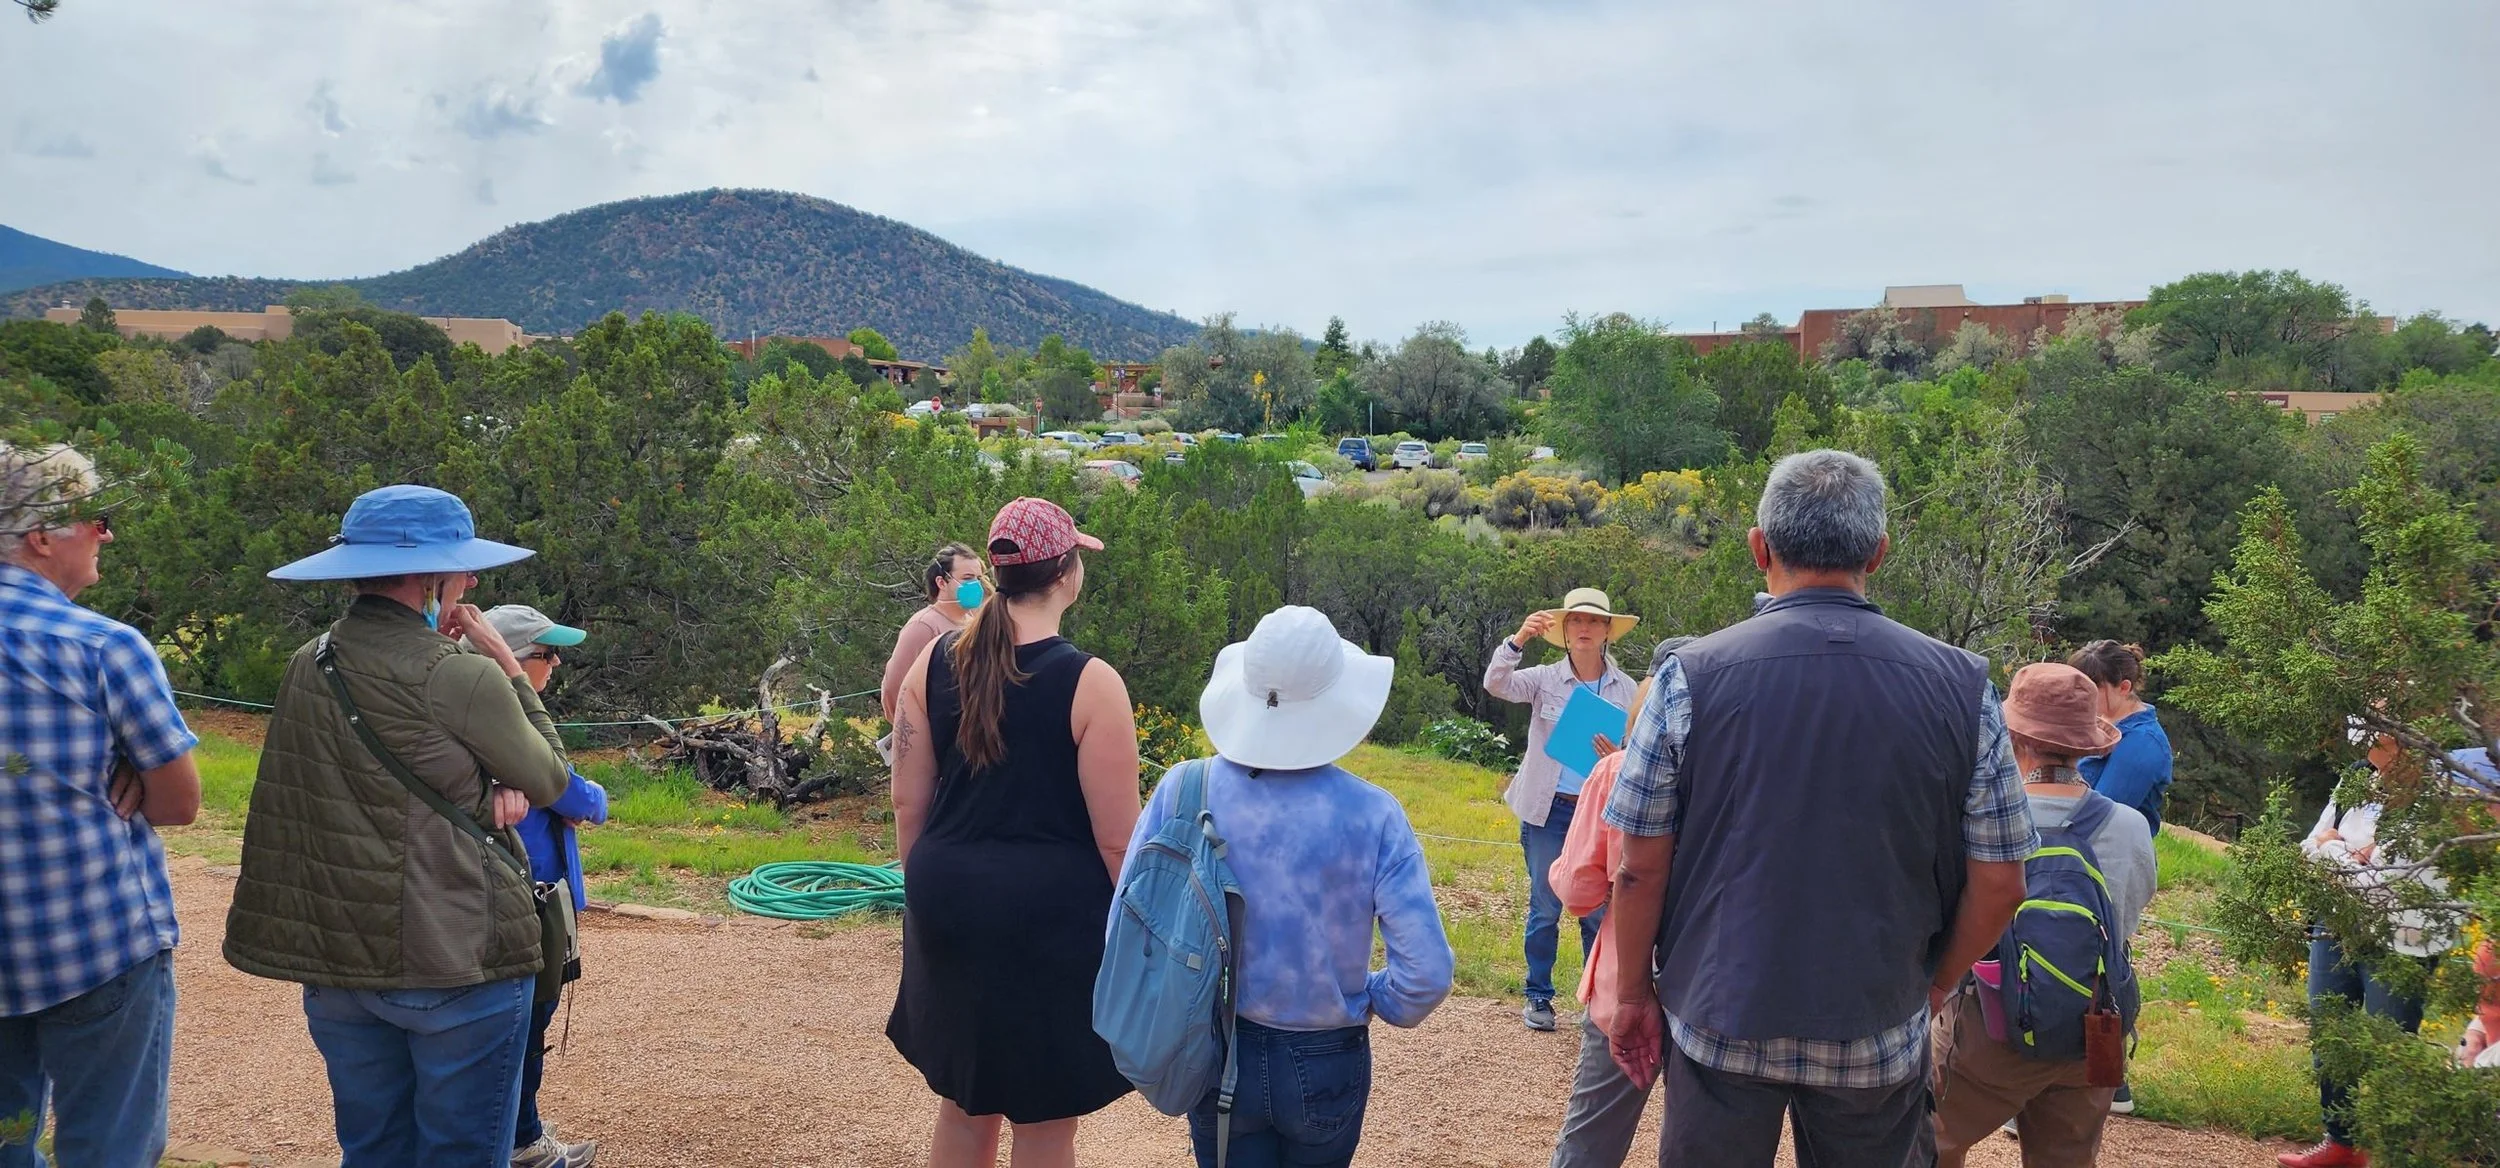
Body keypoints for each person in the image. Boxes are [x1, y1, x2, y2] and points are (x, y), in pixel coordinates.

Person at [1602, 449, 2036, 1167]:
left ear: (1759, 547)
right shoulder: (1964, 689)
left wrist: (1631, 995)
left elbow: (1638, 869)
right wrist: (1933, 984)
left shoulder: (1689, 677)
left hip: (1720, 1014)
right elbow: (2002, 883)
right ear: (1878, 553)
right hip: (1877, 1020)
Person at [225, 484, 574, 1168]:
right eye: (463, 567)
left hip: (339, 960)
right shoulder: (461, 674)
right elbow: (551, 778)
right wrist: (506, 667)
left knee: (373, 1151)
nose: (473, 582)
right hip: (453, 954)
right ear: (430, 578)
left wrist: (474, 785)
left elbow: (342, 788)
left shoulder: (309, 661)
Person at [1134, 604, 1455, 1167]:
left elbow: (1129, 918)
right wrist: (1374, 997)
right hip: (1327, 1053)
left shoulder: (1184, 789)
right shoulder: (1375, 815)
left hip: (1214, 1039)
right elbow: (1425, 977)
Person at [886, 497, 1141, 1168]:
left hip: (946, 897)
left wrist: (926, 897)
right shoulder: (1092, 683)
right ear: (1066, 573)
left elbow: (907, 802)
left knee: (964, 1109)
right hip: (1050, 918)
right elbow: (1119, 842)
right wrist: (1148, 936)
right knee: (1046, 1123)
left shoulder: (932, 662)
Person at [0, 443, 201, 1168]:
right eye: (96, 517)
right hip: (95, 945)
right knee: (109, 1147)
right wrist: (127, 772)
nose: (106, 534)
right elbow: (179, 804)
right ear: (40, 536)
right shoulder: (102, 647)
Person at [1930, 663, 2155, 1168]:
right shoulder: (2130, 826)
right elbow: (2126, 920)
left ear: (2013, 737)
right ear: (2086, 745)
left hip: (1988, 1029)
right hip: (2091, 1030)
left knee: (1929, 1144)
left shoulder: (1981, 817)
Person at [461, 605, 605, 1168]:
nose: (557, 663)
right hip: (530, 902)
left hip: (525, 898)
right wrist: (591, 799)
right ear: (514, 661)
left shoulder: (478, 713)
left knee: (523, 1026)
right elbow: (572, 794)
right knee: (525, 1027)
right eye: (547, 654)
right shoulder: (509, 723)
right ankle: (522, 1141)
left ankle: (519, 1133)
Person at [2278, 726, 2456, 1168]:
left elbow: (2383, 886)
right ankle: (2341, 1143)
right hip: (2335, 926)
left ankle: (2394, 1151)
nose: (2365, 734)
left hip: (2402, 940)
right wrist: (2350, 855)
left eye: (2378, 724)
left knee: (2390, 1046)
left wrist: (2334, 850)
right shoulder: (2356, 777)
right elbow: (2308, 846)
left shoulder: (2431, 796)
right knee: (2330, 1036)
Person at [1545, 636, 1690, 1168]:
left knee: (1591, 1142)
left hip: (1626, 979)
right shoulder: (1738, 769)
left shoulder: (1613, 771)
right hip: (1713, 984)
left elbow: (1579, 891)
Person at [1483, 587, 1639, 1032]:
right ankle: (1538, 995)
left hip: (1598, 814)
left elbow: (1637, 751)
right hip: (1547, 810)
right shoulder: (1543, 679)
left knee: (1598, 909)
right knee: (1545, 907)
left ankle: (1596, 1004)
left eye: (1593, 621)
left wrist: (1618, 755)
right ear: (1565, 631)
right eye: (1576, 621)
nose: (1584, 628)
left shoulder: (1628, 689)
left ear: (1607, 631)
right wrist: (1517, 640)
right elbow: (1496, 683)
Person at [2065, 638, 2168, 1117]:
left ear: (2124, 688)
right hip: (2083, 857)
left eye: (2095, 690)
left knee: (2104, 965)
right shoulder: (2107, 727)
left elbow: (2100, 810)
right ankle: (2104, 1079)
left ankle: (2109, 1080)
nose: (2086, 699)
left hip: (2111, 862)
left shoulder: (2141, 744)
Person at [881, 542, 987, 724]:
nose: (976, 585)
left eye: (978, 578)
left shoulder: (974, 621)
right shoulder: (922, 626)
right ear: (941, 582)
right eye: (968, 578)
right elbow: (893, 691)